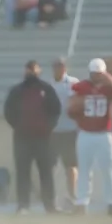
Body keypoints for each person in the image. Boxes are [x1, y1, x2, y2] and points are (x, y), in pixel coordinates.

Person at [3, 60, 61, 214]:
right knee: (22, 172)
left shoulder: (47, 89)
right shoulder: (17, 91)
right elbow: (8, 112)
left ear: (39, 71)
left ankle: (50, 205)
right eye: (29, 69)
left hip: (43, 138)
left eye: (34, 69)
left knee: (46, 172)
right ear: (25, 71)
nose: (31, 72)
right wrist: (18, 126)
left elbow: (56, 110)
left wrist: (48, 127)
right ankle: (23, 205)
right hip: (22, 138)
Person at [69, 58, 112, 216]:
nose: (96, 77)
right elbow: (71, 108)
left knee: (108, 170)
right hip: (85, 133)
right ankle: (81, 203)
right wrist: (76, 109)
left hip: (104, 133)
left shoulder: (109, 88)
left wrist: (111, 81)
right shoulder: (81, 87)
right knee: (84, 169)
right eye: (94, 74)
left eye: (99, 74)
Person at [49, 58, 80, 208]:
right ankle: (52, 197)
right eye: (56, 66)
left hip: (70, 130)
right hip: (53, 131)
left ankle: (73, 196)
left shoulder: (74, 83)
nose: (59, 69)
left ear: (65, 67)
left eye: (61, 66)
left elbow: (80, 103)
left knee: (71, 166)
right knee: (51, 166)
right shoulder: (48, 85)